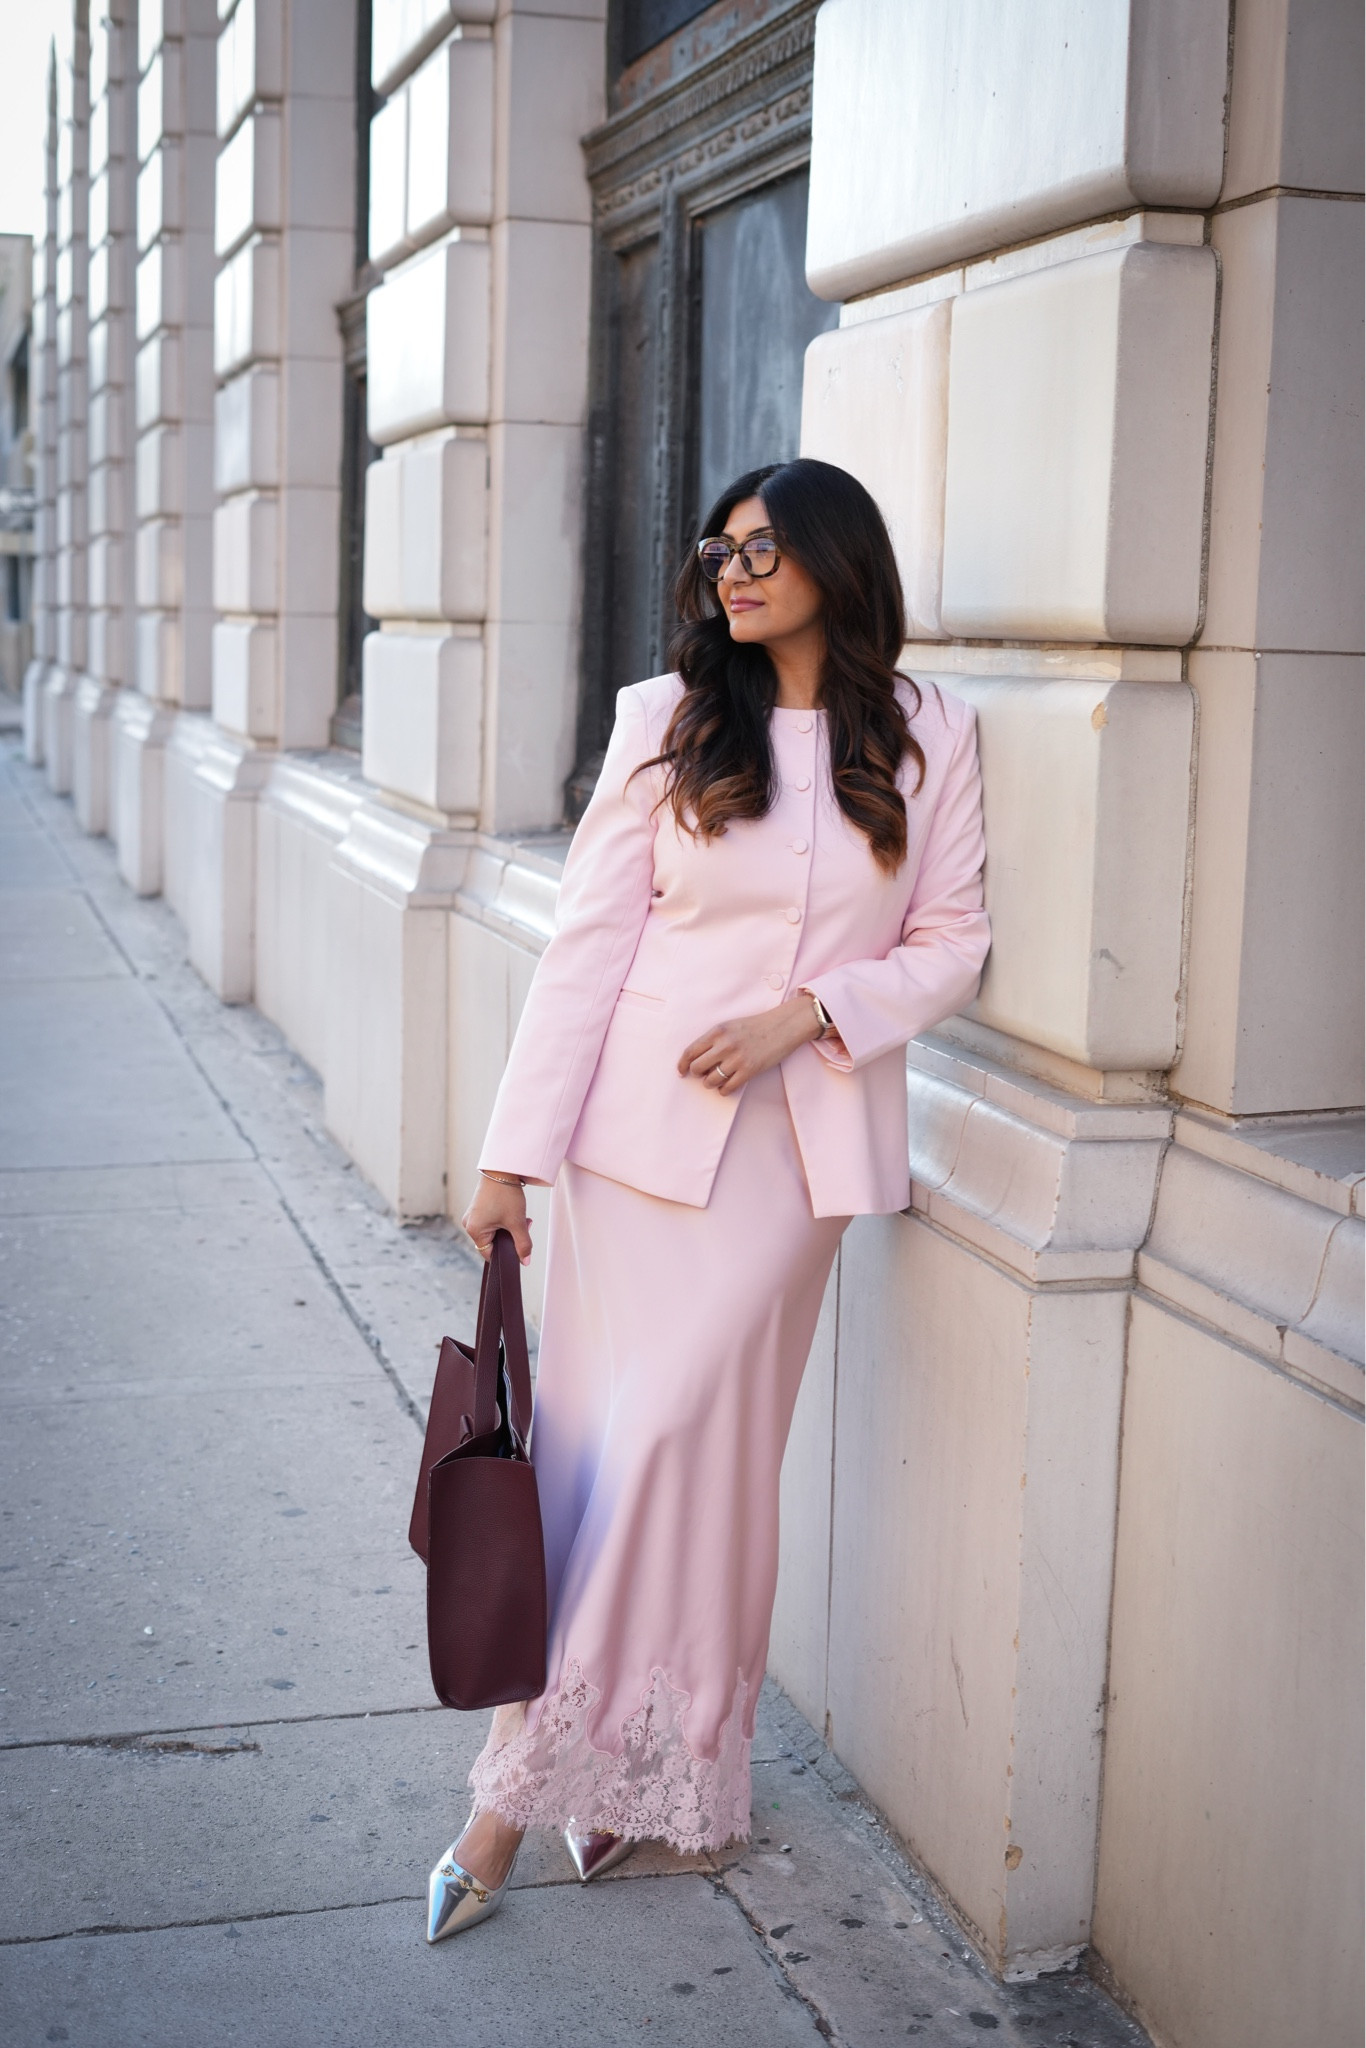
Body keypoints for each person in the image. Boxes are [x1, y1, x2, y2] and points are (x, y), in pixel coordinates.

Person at [426, 457, 990, 1942]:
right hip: (631, 1153)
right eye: (718, 549)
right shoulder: (663, 722)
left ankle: (643, 1774)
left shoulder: (929, 733)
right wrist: (508, 1154)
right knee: (616, 1458)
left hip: (791, 1163)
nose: (732, 571)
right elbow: (587, 945)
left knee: (710, 1460)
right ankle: (538, 1785)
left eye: (763, 548)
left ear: (833, 563)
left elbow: (952, 942)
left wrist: (808, 1011)